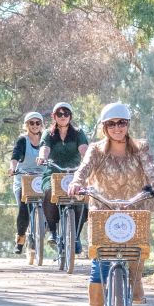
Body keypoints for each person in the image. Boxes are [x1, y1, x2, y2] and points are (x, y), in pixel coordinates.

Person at [68, 102, 154, 306]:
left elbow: (152, 171)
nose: (117, 128)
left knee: (137, 249)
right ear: (104, 127)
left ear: (128, 125)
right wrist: (76, 183)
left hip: (134, 208)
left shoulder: (140, 148)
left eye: (121, 123)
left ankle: (136, 279)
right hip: (103, 210)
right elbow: (83, 171)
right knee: (99, 265)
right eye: (111, 124)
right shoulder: (95, 150)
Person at [37, 101, 89, 253]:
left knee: (81, 201)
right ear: (54, 116)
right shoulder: (49, 133)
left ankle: (76, 237)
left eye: (66, 113)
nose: (63, 116)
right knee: (48, 193)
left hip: (75, 174)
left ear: (70, 116)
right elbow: (44, 148)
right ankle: (53, 231)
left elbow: (84, 149)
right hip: (54, 172)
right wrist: (42, 157)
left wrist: (87, 159)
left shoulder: (78, 133)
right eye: (59, 113)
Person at [8, 111, 44, 254]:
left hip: (42, 179)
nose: (35, 126)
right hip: (23, 179)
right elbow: (15, 155)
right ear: (26, 125)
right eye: (31, 123)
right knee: (24, 208)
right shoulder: (22, 140)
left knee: (51, 206)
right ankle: (21, 238)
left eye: (38, 123)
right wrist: (13, 167)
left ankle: (41, 233)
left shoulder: (46, 139)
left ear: (41, 125)